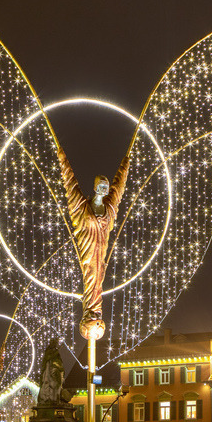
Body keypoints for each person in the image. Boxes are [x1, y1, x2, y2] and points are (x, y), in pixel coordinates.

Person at [56, 144, 130, 340]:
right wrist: (62, 156)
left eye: (106, 186)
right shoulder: (82, 208)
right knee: (91, 280)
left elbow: (119, 188)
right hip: (88, 253)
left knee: (98, 281)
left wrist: (126, 163)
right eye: (101, 185)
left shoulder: (110, 209)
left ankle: (94, 315)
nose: (104, 189)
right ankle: (90, 314)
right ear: (95, 186)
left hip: (101, 255)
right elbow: (70, 184)